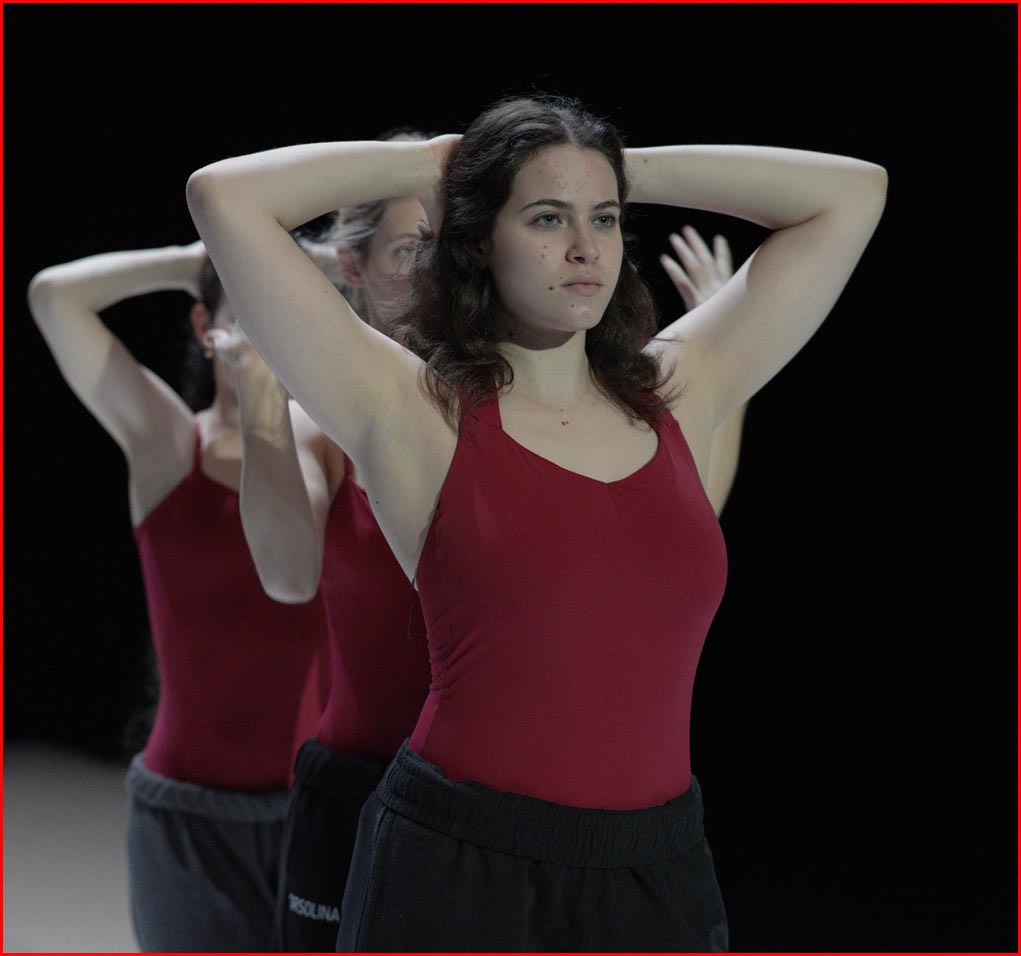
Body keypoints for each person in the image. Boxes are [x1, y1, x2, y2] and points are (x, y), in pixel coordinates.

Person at [186, 94, 886, 952]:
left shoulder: (681, 386)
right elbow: (224, 197)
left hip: (654, 865)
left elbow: (852, 193)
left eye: (605, 218)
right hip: (459, 866)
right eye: (548, 218)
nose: (585, 246)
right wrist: (445, 163)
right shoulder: (412, 410)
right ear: (478, 238)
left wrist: (611, 168)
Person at [26, 241, 330, 952]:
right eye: (250, 313)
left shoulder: (335, 452)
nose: (271, 334)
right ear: (205, 328)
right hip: (187, 820)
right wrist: (203, 255)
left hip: (321, 810)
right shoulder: (169, 446)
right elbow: (54, 298)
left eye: (287, 315)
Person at [206, 138, 433, 950]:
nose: (436, 275)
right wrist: (263, 402)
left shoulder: (513, 411)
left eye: (453, 249)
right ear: (352, 265)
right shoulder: (316, 428)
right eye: (410, 251)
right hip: (358, 785)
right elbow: (288, 575)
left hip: (490, 793)